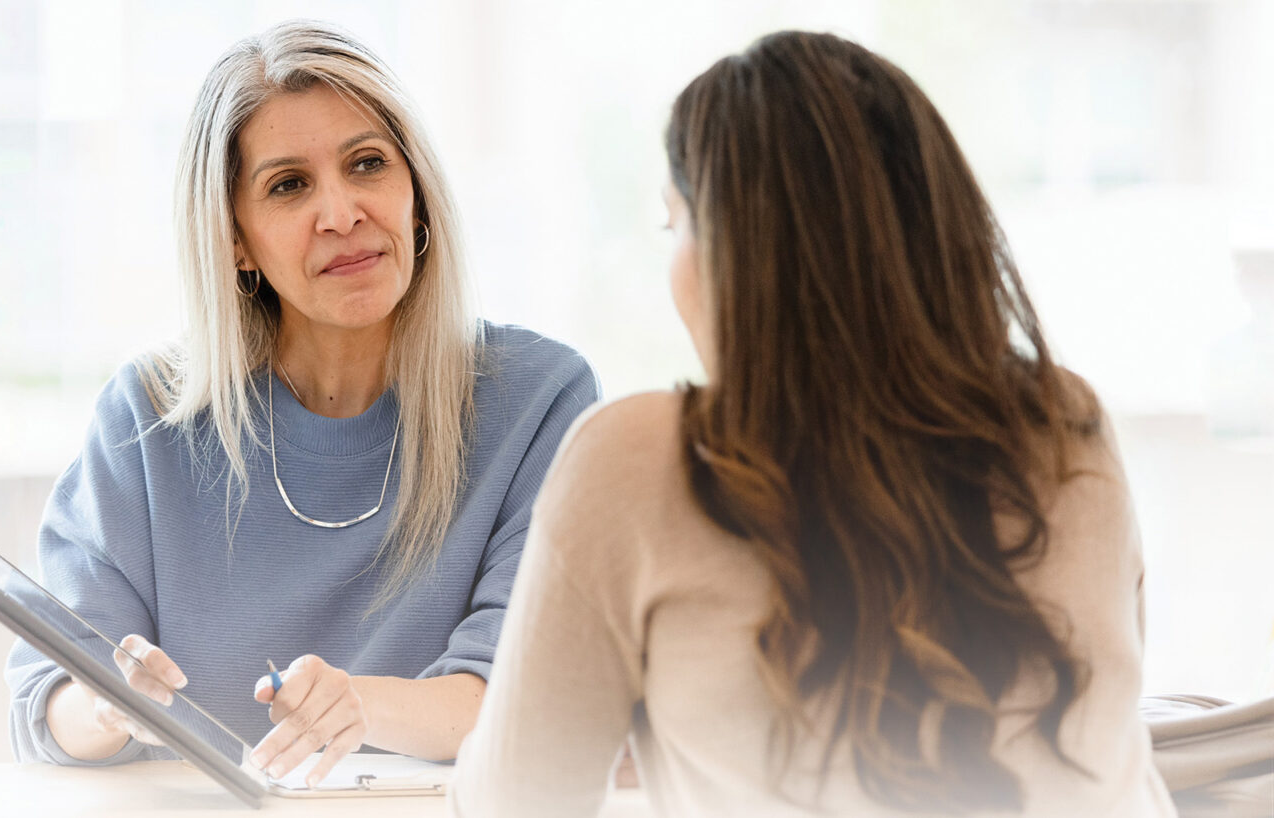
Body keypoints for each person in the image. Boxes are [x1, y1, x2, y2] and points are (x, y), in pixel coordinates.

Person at [450, 31, 1174, 816]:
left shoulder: (635, 460)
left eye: (675, 227)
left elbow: (513, 803)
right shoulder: (1066, 422)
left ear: (731, 250)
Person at [6, 20, 599, 789]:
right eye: (289, 185)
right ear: (235, 240)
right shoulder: (148, 415)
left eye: (368, 165)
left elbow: (528, 694)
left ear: (416, 194)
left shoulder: (539, 401)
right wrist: (106, 702)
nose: (342, 212)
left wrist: (360, 705)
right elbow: (42, 702)